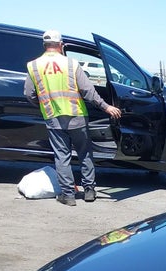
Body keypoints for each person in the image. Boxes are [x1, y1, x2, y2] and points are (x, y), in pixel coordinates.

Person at [24, 30, 122, 206]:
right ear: (61, 45)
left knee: (62, 156)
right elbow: (88, 91)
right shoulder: (70, 64)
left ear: (45, 46)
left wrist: (43, 104)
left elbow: (29, 94)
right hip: (77, 115)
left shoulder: (33, 65)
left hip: (53, 116)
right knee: (85, 153)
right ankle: (90, 191)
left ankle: (68, 195)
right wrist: (106, 107)